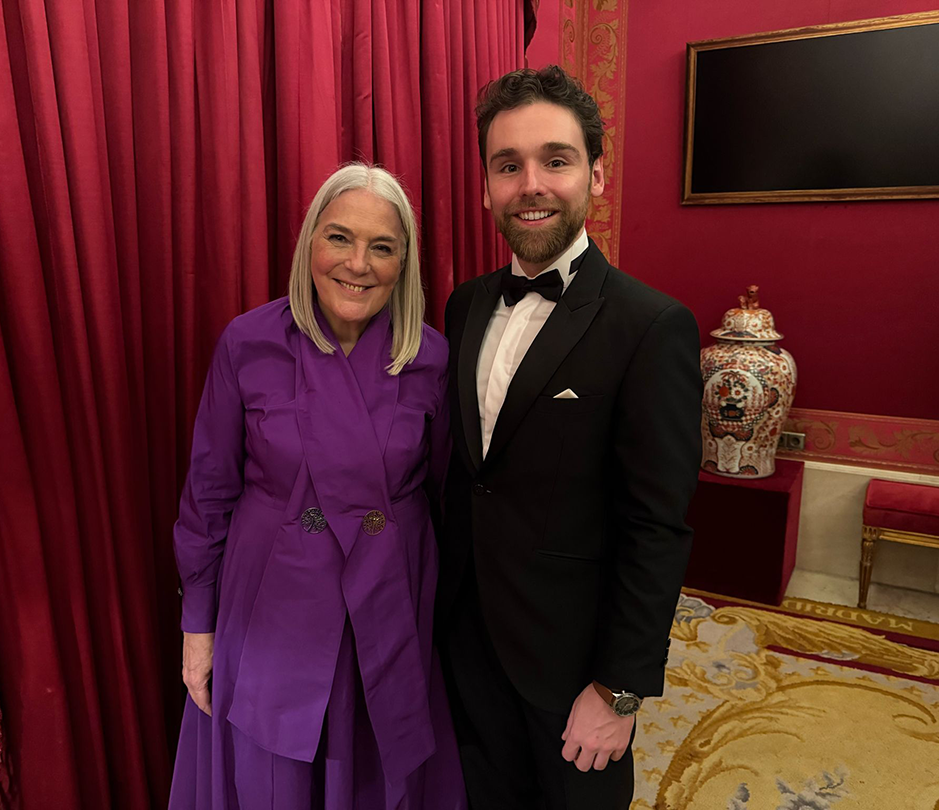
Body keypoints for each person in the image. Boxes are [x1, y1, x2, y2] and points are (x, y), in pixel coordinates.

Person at [438, 66, 702, 809]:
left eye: (555, 160)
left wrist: (619, 687)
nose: (531, 183)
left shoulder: (651, 327)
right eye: (507, 164)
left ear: (596, 173)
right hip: (466, 635)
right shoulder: (463, 306)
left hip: (573, 661)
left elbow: (657, 526)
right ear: (487, 183)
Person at [169, 163, 466, 810]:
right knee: (270, 776)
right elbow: (208, 495)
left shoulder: (433, 358)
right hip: (271, 608)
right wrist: (199, 628)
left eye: (381, 246)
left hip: (387, 604)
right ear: (309, 244)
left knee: (372, 766)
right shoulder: (248, 343)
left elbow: (446, 496)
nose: (358, 264)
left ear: (403, 262)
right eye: (339, 238)